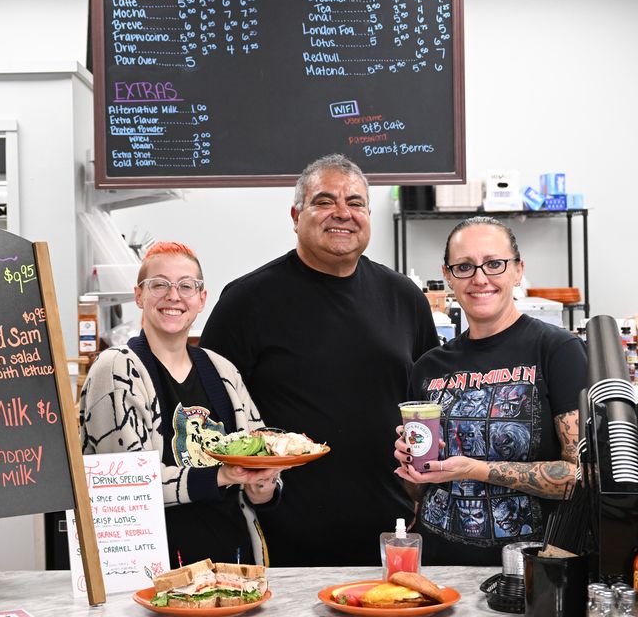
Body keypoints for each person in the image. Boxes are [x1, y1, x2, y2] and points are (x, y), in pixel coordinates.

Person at [200, 154, 438, 566]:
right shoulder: (246, 301)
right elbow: (211, 419)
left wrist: (424, 492)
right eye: (325, 201)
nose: (342, 213)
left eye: (356, 202)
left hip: (389, 528)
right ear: (296, 215)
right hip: (276, 532)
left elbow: (428, 406)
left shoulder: (404, 298)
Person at [393, 216, 586, 564]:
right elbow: (417, 492)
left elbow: (581, 477)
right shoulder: (429, 367)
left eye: (494, 264)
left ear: (518, 270)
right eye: (464, 267)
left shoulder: (557, 349)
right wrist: (412, 467)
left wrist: (476, 469)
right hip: (440, 567)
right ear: (448, 276)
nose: (480, 279)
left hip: (529, 571)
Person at [79, 241, 284, 568]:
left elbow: (257, 454)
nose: (173, 296)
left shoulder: (222, 370)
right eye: (159, 285)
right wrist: (223, 475)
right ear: (139, 296)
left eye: (186, 286)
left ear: (202, 299)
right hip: (152, 576)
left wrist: (262, 485)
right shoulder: (117, 370)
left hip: (235, 565)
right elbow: (123, 488)